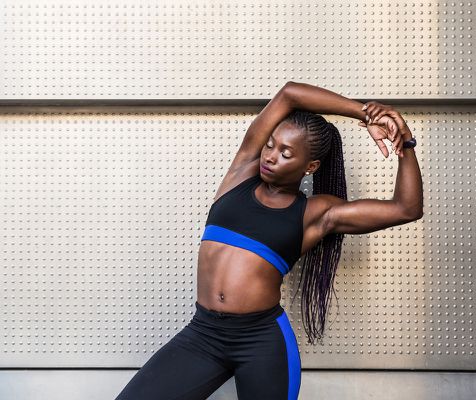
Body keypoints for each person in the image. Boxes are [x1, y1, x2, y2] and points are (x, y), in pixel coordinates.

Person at [114, 81, 423, 400]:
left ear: (310, 167)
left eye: (286, 153)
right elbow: (290, 94)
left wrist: (406, 142)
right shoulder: (242, 172)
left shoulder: (316, 213)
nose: (271, 156)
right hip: (203, 334)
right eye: (271, 144)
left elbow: (406, 208)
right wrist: (366, 113)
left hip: (261, 341)